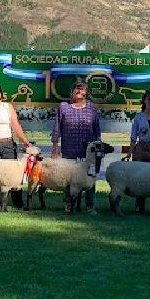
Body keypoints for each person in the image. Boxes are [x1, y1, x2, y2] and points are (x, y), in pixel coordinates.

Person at [51, 81, 101, 212]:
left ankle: (90, 207)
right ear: (72, 91)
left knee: (90, 178)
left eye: (82, 89)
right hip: (69, 150)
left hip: (89, 152)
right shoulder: (63, 107)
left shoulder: (92, 108)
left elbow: (97, 130)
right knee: (69, 180)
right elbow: (57, 128)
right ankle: (69, 205)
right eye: (76, 89)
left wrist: (98, 148)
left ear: (86, 92)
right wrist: (55, 148)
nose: (79, 91)